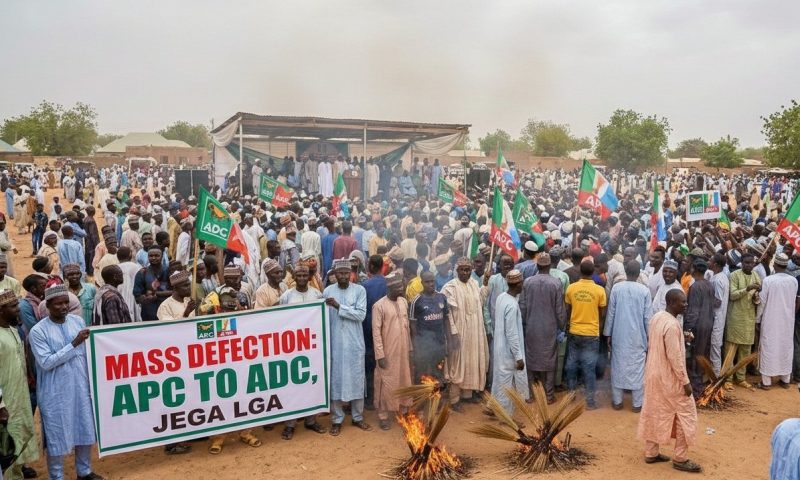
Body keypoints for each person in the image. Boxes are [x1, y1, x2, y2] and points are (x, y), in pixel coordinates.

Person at [28, 285, 104, 480]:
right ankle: (56, 476)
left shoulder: (77, 321)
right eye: (58, 304)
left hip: (81, 386)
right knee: (57, 436)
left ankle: (84, 472)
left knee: (85, 429)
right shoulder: (38, 331)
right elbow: (46, 362)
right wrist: (73, 343)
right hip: (55, 392)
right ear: (47, 306)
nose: (63, 307)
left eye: (65, 303)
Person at [637, 289, 701, 473]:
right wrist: (685, 382)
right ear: (671, 303)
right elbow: (675, 358)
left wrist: (682, 337)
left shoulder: (657, 317)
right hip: (669, 379)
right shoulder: (672, 325)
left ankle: (651, 452)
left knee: (654, 411)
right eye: (683, 302)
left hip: (653, 374)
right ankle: (680, 458)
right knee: (686, 413)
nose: (686, 305)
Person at [278, 264, 327, 439]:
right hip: (292, 348)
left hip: (312, 347)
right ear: (294, 277)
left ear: (309, 277)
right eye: (298, 275)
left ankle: (311, 420)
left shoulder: (317, 295)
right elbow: (279, 319)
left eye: (304, 275)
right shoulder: (286, 296)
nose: (301, 278)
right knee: (293, 386)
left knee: (311, 384)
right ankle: (290, 424)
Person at [324, 258, 371, 436]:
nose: (343, 276)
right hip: (335, 343)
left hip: (354, 343)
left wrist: (338, 306)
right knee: (336, 380)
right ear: (335, 274)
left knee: (356, 379)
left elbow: (360, 315)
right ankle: (337, 419)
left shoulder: (359, 290)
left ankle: (357, 417)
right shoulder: (328, 291)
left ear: (351, 274)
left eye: (346, 273)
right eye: (340, 273)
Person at [0, 290, 39, 480]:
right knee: (6, 444)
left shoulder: (14, 330)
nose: (18, 309)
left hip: (19, 396)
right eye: (14, 306)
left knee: (19, 437)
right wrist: (1, 406)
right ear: (1, 310)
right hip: (5, 402)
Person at [442, 257, 489, 411]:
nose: (465, 273)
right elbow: (447, 314)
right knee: (457, 363)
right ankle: (454, 398)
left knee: (472, 361)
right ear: (457, 271)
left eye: (468, 270)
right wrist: (453, 333)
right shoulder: (450, 288)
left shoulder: (474, 284)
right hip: (459, 332)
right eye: (462, 270)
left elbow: (480, 301)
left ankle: (467, 394)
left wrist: (485, 284)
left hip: (474, 331)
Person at [604, 260, 652, 412]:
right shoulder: (644, 291)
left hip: (619, 335)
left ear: (625, 271)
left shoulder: (617, 288)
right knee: (638, 368)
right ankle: (637, 404)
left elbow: (611, 314)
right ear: (639, 274)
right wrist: (650, 336)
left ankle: (617, 402)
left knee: (618, 366)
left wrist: (608, 333)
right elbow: (648, 318)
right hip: (638, 336)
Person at [519, 253, 565, 403]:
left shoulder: (527, 282)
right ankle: (549, 396)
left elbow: (522, 307)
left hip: (531, 327)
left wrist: (524, 324)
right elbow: (559, 310)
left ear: (537, 266)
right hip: (549, 329)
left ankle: (531, 394)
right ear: (550, 266)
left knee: (531, 359)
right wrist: (562, 326)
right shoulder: (556, 283)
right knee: (550, 360)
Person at [564, 260, 607, 410]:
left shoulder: (571, 288)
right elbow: (602, 313)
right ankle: (590, 401)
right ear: (593, 272)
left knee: (571, 365)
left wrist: (569, 324)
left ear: (580, 271)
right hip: (591, 333)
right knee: (589, 368)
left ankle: (570, 395)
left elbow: (568, 310)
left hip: (574, 331)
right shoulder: (599, 290)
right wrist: (598, 329)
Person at [371, 274, 412, 430]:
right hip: (387, 351)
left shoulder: (403, 302)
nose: (401, 289)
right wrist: (380, 355)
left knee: (403, 378)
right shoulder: (379, 306)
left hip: (403, 349)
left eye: (401, 285)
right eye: (398, 287)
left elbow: (407, 327)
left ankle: (403, 410)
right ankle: (383, 415)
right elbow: (376, 333)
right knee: (386, 382)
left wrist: (410, 348)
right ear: (389, 288)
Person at [756, 252, 798, 390]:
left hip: (771, 320)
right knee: (785, 347)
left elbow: (762, 302)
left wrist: (757, 319)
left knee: (769, 347)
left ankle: (766, 382)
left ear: (775, 264)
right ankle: (785, 380)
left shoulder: (768, 280)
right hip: (787, 320)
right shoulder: (793, 281)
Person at [490, 269, 529, 415]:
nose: (522, 285)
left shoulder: (502, 297)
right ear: (518, 285)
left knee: (499, 380)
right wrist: (518, 357)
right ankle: (506, 417)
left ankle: (492, 407)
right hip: (508, 352)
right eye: (521, 283)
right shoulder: (512, 305)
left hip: (499, 347)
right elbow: (512, 334)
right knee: (508, 384)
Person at [725, 252, 761, 389]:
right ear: (741, 263)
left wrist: (756, 295)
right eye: (746, 263)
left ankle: (741, 378)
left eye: (751, 263)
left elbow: (757, 299)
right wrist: (747, 289)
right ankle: (727, 378)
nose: (749, 265)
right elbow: (733, 295)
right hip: (735, 317)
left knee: (745, 350)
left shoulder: (756, 276)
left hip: (749, 318)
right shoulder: (734, 275)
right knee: (731, 350)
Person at [409, 271, 450, 382]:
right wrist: (416, 348)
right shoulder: (416, 301)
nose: (431, 284)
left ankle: (437, 393)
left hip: (439, 345)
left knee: (438, 375)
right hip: (424, 347)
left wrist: (449, 342)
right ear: (422, 283)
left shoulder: (442, 297)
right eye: (427, 282)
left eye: (432, 281)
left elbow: (446, 321)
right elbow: (412, 326)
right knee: (423, 376)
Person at [684, 259, 715, 397]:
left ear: (694, 269)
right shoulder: (709, 285)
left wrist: (688, 329)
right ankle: (701, 386)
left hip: (698, 327)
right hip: (708, 325)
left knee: (694, 358)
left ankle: (696, 391)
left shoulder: (695, 286)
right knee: (703, 355)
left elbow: (693, 311)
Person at [361, 254, 387, 409]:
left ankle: (370, 398)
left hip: (368, 326)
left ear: (370, 266)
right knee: (385, 361)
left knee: (369, 363)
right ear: (382, 266)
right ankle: (383, 396)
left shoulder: (365, 285)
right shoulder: (388, 283)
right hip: (385, 327)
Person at [133, 248, 171, 321]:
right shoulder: (142, 273)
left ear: (162, 256)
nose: (153, 258)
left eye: (157, 255)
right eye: (151, 256)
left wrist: (157, 294)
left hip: (168, 311)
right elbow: (137, 294)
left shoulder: (169, 271)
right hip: (149, 312)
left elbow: (177, 290)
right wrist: (145, 299)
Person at [709, 253, 729, 375]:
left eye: (710, 260)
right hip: (718, 317)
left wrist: (705, 300)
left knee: (715, 347)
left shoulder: (717, 280)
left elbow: (717, 301)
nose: (708, 262)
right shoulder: (721, 276)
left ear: (715, 264)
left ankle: (716, 377)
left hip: (717, 318)